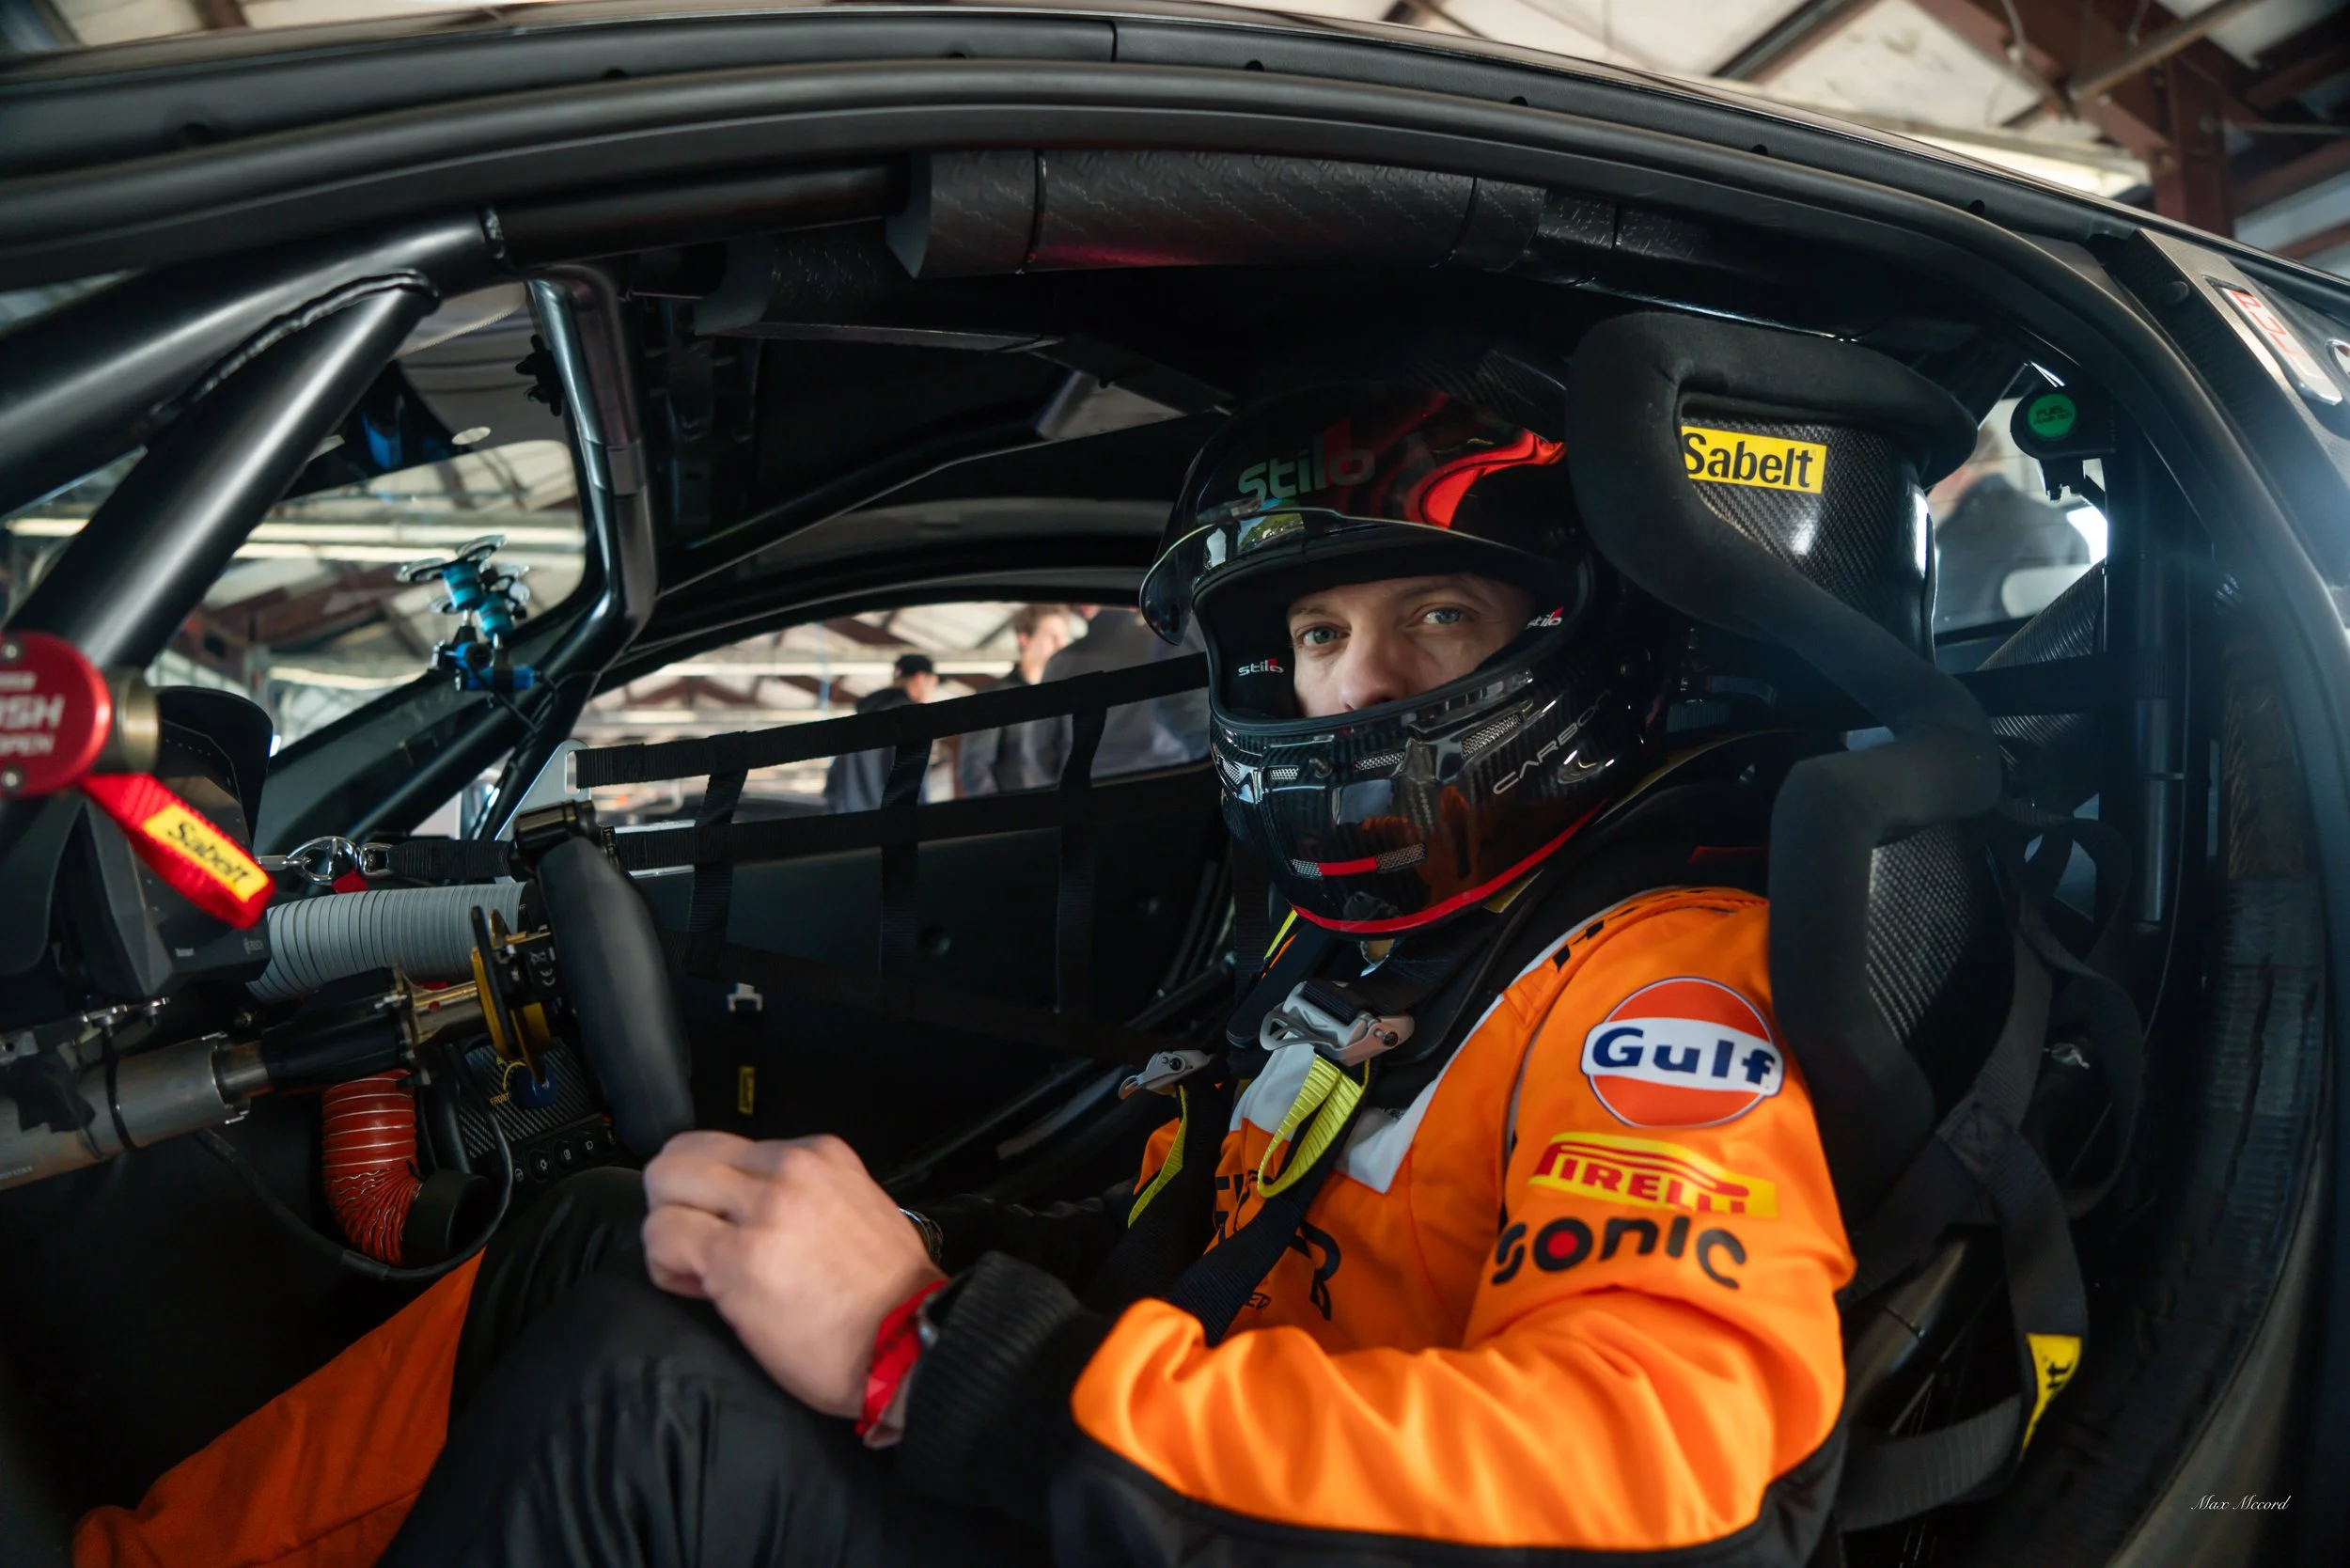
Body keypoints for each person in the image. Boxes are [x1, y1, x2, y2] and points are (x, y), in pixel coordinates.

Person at [77, 353, 1904, 1568]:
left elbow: (1674, 1480)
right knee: (618, 1236)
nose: (1351, 686)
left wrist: (928, 1347)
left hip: (1226, 1511)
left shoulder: (1652, 990)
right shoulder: (1397, 949)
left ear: (1584, 650)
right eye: (1318, 633)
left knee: (648, 1396)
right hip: (1181, 1477)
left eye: (1434, 614)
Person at [1006, 605, 1210, 787]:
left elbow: (1039, 749)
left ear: (1085, 609)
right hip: (1173, 784)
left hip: (1093, 795)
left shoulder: (1063, 663)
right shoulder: (1170, 644)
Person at [1931, 428, 2090, 633]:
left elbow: (1953, 635)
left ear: (1952, 473)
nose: (1928, 493)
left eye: (1930, 476)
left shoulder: (1972, 530)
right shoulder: (2057, 522)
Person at [955, 604, 1073, 797]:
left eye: (1063, 637)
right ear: (1025, 640)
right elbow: (974, 768)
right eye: (1052, 636)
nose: (1061, 645)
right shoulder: (995, 699)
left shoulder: (1064, 696)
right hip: (1021, 818)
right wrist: (1005, 817)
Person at [822, 651, 939, 814]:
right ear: (920, 679)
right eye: (933, 684)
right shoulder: (911, 718)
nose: (932, 692)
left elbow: (832, 785)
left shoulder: (856, 722)